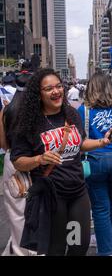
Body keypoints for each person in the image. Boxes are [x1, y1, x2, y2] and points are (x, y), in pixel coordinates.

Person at [9, 68, 112, 256]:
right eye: (49, 88)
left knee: (78, 245)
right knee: (57, 248)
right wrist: (39, 159)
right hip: (51, 196)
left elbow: (80, 143)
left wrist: (102, 142)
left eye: (59, 86)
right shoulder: (29, 122)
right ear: (38, 94)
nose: (56, 91)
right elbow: (18, 161)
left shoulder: (71, 114)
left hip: (77, 192)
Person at [78, 73, 112, 256]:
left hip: (95, 161)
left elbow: (80, 140)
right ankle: (110, 244)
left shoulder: (84, 110)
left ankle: (106, 250)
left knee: (100, 208)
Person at [0, 72, 34, 256]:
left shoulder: (6, 110)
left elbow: (3, 144)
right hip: (37, 161)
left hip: (13, 162)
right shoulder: (38, 109)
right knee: (38, 210)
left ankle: (21, 252)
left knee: (16, 215)